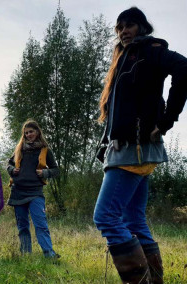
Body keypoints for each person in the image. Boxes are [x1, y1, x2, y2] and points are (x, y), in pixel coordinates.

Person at [94, 7, 187, 284]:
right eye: (119, 27)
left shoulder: (149, 50)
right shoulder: (123, 58)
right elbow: (118, 110)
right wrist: (104, 145)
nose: (123, 31)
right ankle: (154, 281)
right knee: (133, 219)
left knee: (106, 218)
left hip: (135, 149)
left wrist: (168, 119)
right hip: (125, 149)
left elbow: (184, 69)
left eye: (129, 25)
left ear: (142, 28)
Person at [7, 119, 60, 259]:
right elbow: (9, 165)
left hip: (35, 192)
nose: (29, 135)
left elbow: (56, 170)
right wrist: (12, 170)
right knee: (22, 226)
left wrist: (45, 173)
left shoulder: (45, 150)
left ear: (37, 132)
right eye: (26, 133)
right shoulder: (19, 149)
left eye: (31, 132)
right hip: (18, 192)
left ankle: (49, 253)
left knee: (40, 224)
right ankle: (26, 255)